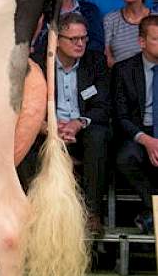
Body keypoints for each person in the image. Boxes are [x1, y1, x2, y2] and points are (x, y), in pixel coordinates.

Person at [22, 13, 110, 235]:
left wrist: (78, 123)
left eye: (83, 38)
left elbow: (102, 105)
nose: (80, 44)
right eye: (73, 39)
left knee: (99, 137)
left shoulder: (95, 61)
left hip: (82, 131)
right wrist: (48, 128)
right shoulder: (38, 63)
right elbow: (25, 107)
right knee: (23, 143)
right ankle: (31, 212)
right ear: (56, 39)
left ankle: (91, 213)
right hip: (45, 130)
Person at [112, 14, 158, 234]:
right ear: (142, 42)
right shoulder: (124, 70)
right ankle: (153, 209)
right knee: (125, 159)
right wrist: (147, 140)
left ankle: (150, 216)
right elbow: (121, 116)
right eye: (156, 39)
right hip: (138, 132)